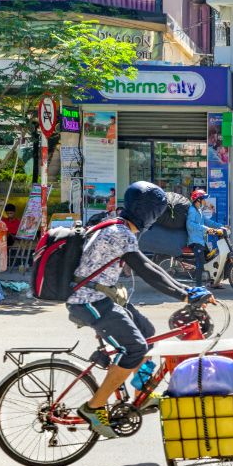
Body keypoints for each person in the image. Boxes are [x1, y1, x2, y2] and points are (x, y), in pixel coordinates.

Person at [67, 181, 210, 438]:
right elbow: (147, 270)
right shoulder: (120, 233)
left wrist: (186, 292)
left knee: (147, 331)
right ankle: (93, 407)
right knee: (135, 348)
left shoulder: (115, 225)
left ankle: (141, 392)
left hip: (101, 297)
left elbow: (151, 268)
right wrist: (184, 295)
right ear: (149, 212)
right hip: (88, 301)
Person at [187, 189, 224, 287]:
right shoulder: (192, 211)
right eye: (203, 199)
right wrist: (206, 229)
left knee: (210, 259)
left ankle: (213, 282)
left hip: (201, 240)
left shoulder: (198, 210)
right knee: (201, 264)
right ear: (198, 200)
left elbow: (207, 221)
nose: (205, 201)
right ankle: (198, 287)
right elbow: (190, 224)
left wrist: (221, 226)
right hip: (195, 241)